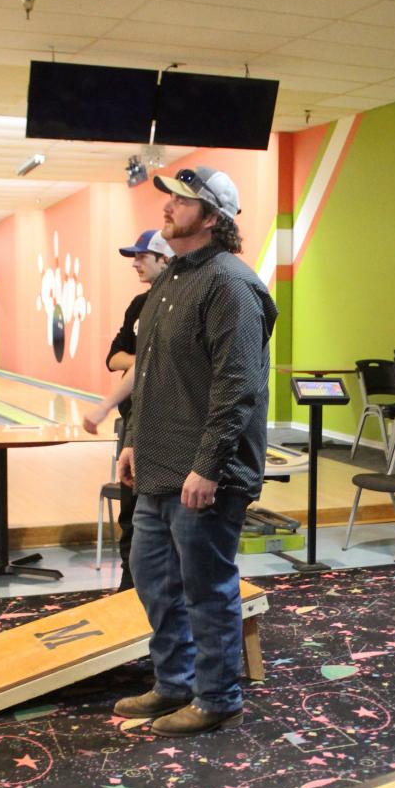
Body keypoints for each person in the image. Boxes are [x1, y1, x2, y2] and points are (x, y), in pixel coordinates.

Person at [113, 166, 277, 737]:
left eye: (182, 201)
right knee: (152, 577)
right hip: (159, 464)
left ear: (212, 217)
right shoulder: (170, 280)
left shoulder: (231, 285)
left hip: (204, 473)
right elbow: (150, 374)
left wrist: (209, 465)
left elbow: (240, 386)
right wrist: (133, 440)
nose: (168, 207)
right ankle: (174, 683)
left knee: (205, 587)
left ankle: (217, 696)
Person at [83, 228, 173, 591]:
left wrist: (144, 364)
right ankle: (128, 590)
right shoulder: (140, 305)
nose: (135, 263)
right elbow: (113, 358)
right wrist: (148, 362)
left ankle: (157, 598)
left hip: (168, 427)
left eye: (141, 256)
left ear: (165, 258)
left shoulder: (183, 303)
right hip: (133, 424)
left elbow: (141, 363)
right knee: (131, 514)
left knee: (159, 519)